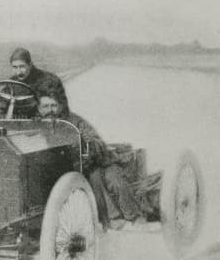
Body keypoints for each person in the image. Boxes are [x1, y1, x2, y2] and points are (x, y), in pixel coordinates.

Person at [36, 94, 151, 229]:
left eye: (54, 105)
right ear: (39, 109)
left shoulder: (73, 120)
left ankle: (133, 217)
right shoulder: (36, 125)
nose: (50, 110)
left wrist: (89, 147)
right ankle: (110, 220)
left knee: (114, 179)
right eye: (46, 106)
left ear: (60, 106)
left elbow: (92, 138)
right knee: (93, 178)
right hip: (72, 169)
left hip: (99, 161)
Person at [0, 48, 70, 118]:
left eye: (22, 66)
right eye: (15, 67)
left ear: (30, 64)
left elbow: (60, 108)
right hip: (19, 126)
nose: (18, 72)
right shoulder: (10, 84)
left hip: (45, 124)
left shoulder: (49, 80)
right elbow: (2, 108)